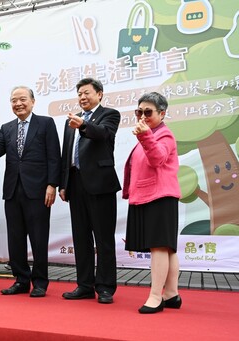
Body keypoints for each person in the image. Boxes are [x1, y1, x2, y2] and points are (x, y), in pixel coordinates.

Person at [0, 86, 61, 298]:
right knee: (15, 239)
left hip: (38, 190)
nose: (18, 104)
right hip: (13, 190)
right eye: (14, 100)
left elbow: (54, 156)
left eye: (22, 99)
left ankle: (40, 282)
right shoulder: (7, 128)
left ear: (32, 101)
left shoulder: (45, 123)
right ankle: (21, 280)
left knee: (39, 238)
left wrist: (52, 184)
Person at [59, 78, 121, 304]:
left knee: (103, 238)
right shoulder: (71, 121)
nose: (82, 97)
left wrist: (83, 126)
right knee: (81, 238)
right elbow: (67, 155)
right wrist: (63, 184)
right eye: (79, 94)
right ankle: (84, 285)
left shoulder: (110, 115)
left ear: (100, 94)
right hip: (75, 185)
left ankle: (105, 287)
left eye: (86, 93)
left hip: (100, 184)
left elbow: (102, 134)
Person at [123, 92, 181, 314]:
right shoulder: (150, 133)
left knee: (160, 246)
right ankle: (172, 293)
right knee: (167, 248)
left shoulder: (163, 135)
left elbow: (157, 159)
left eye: (148, 112)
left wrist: (145, 136)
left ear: (162, 113)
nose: (143, 116)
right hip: (152, 195)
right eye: (139, 112)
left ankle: (156, 296)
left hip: (160, 196)